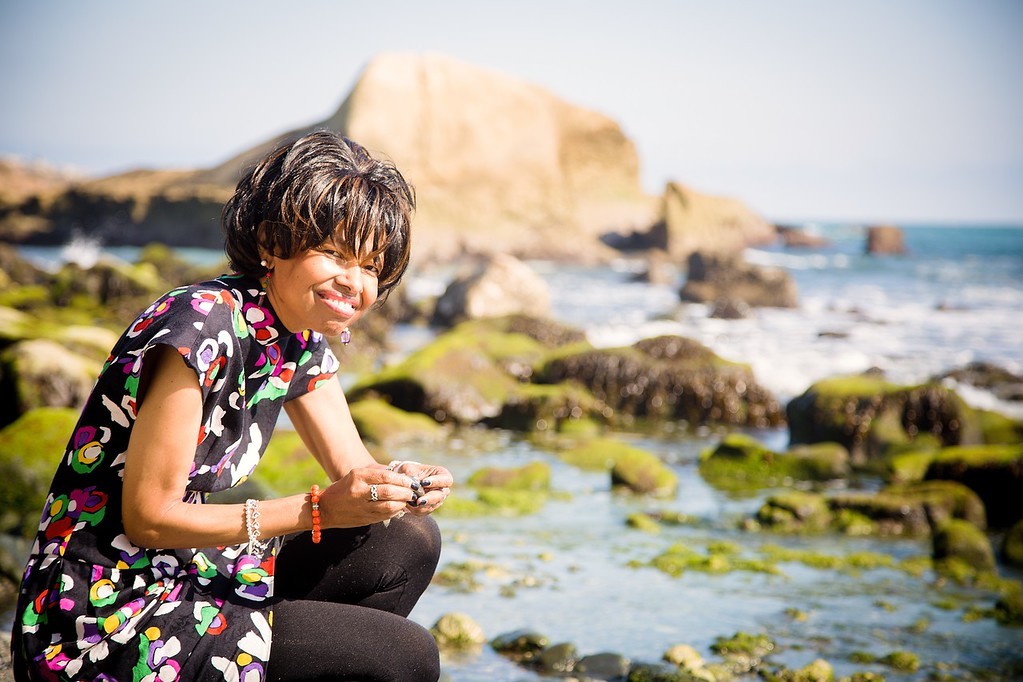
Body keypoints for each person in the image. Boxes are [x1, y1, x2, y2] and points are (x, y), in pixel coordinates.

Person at [10, 130, 452, 681]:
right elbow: (148, 519)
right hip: (104, 609)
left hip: (187, 571)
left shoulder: (299, 334)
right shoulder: (201, 323)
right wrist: (316, 511)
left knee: (407, 538)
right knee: (405, 656)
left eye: (370, 265)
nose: (354, 283)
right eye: (334, 254)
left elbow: (355, 474)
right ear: (273, 240)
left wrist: (403, 483)